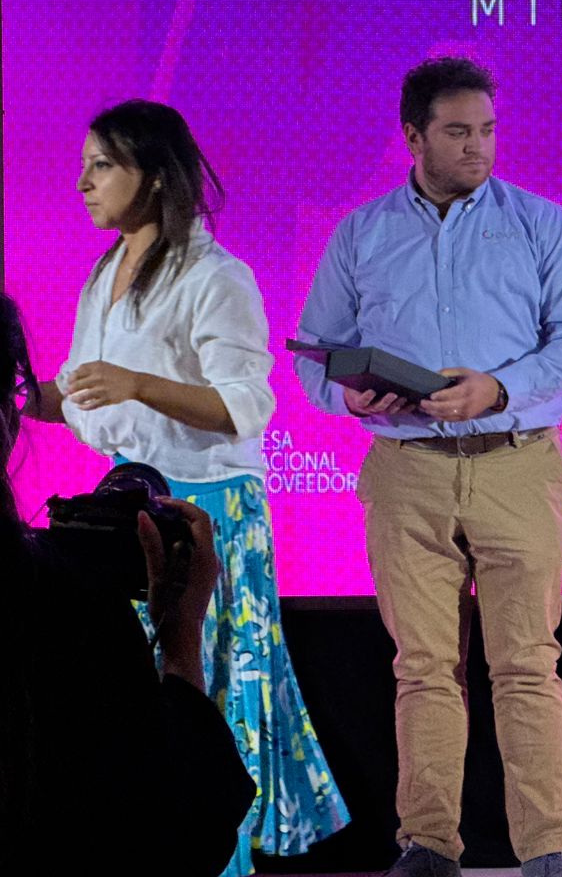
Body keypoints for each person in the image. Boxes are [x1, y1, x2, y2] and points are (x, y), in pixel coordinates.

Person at [295, 57, 562, 877]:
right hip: (407, 471)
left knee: (528, 663)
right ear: (413, 136)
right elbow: (314, 354)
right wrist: (348, 396)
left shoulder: (541, 224)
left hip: (517, 463)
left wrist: (497, 388)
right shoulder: (361, 233)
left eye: (488, 130)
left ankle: (549, 850)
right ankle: (428, 845)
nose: (479, 147)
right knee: (424, 669)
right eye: (459, 132)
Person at [23, 99, 349, 876]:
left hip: (206, 510)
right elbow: (79, 394)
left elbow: (245, 405)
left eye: (102, 165)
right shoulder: (104, 273)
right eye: (85, 165)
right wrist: (19, 392)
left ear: (154, 176)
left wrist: (139, 382)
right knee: (136, 692)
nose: (83, 183)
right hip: (129, 506)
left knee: (211, 685)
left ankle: (221, 861)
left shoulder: (216, 276)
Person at [0, 288, 258, 875]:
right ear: (7, 419)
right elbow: (173, 833)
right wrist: (181, 640)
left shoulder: (220, 283)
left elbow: (246, 402)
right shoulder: (61, 605)